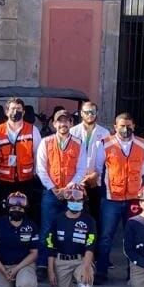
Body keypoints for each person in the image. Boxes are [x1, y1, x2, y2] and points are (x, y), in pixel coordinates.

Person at [94, 112, 144, 284]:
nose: (126, 129)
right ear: (115, 127)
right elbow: (98, 167)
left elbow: (143, 169)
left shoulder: (141, 144)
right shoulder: (105, 143)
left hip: (133, 198)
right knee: (106, 236)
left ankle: (132, 273)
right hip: (111, 198)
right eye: (122, 126)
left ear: (134, 126)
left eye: (129, 125)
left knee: (132, 237)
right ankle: (101, 272)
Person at [36, 109, 86, 271]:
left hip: (72, 195)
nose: (63, 124)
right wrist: (53, 188)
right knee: (47, 229)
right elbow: (41, 169)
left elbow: (81, 169)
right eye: (60, 121)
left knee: (70, 228)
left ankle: (65, 263)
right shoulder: (46, 142)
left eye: (67, 121)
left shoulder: (79, 143)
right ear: (54, 123)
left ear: (71, 124)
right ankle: (43, 263)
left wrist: (68, 188)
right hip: (51, 193)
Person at [45, 189, 96, 287]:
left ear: (83, 202)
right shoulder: (57, 219)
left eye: (79, 200)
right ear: (67, 201)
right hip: (61, 261)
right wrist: (50, 271)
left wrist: (86, 268)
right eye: (72, 200)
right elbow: (50, 245)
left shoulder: (89, 220)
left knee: (85, 280)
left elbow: (90, 245)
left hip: (81, 260)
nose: (75, 203)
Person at [0, 97, 42, 222]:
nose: (15, 111)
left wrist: (35, 172)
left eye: (18, 109)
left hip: (26, 180)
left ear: (23, 112)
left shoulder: (32, 130)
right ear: (7, 112)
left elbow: (38, 155)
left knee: (26, 210)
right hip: (4, 181)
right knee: (3, 211)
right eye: (12, 109)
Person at [69, 100, 110, 221]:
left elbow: (106, 157)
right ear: (81, 114)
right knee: (76, 210)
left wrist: (96, 174)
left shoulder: (104, 133)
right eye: (86, 112)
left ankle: (94, 238)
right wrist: (79, 177)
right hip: (76, 179)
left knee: (95, 212)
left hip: (95, 180)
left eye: (92, 112)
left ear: (96, 113)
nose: (90, 115)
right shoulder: (73, 131)